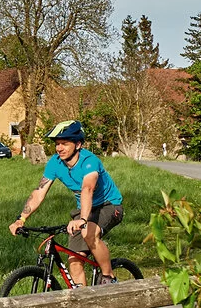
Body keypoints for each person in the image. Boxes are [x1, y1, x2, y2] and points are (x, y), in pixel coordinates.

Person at [9, 120, 123, 284]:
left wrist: (82, 220)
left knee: (88, 233)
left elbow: (87, 189)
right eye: (57, 144)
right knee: (74, 263)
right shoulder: (55, 163)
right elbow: (39, 192)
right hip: (85, 209)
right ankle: (85, 306)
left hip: (109, 205)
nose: (59, 148)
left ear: (77, 144)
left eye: (64, 143)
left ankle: (108, 277)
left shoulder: (89, 161)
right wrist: (21, 219)